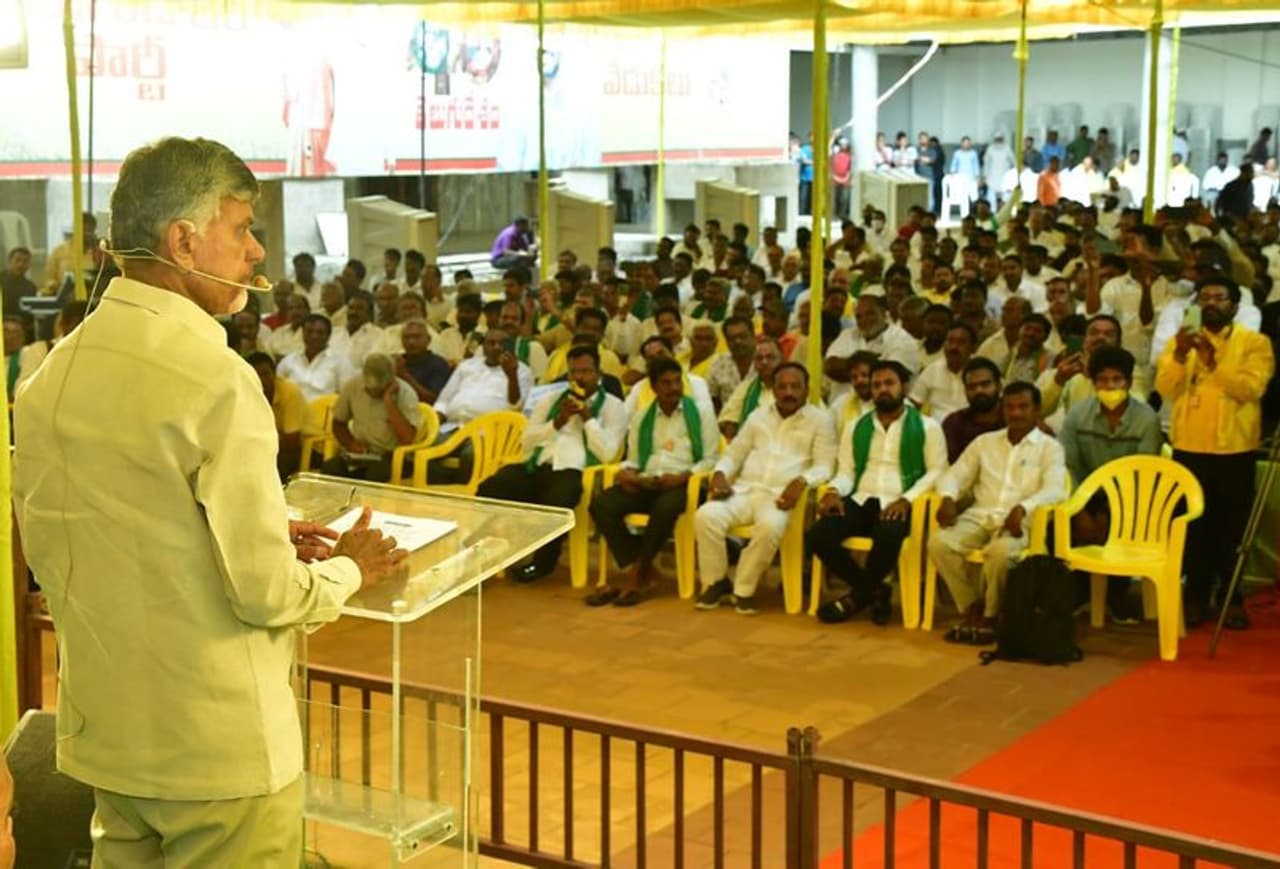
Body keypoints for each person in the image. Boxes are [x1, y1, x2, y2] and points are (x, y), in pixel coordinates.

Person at [12, 136, 405, 863]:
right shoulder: (214, 379)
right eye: (242, 229)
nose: (256, 252)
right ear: (184, 242)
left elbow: (81, 541)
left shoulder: (47, 380)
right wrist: (350, 567)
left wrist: (224, 530)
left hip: (112, 745)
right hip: (216, 758)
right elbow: (263, 593)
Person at [1155, 275, 1275, 629]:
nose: (1210, 303)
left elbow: (1250, 389)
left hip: (1234, 449)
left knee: (1231, 528)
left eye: (1219, 298)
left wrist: (1211, 362)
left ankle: (1230, 596)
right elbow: (1166, 388)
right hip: (1189, 448)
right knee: (1194, 526)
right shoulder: (1184, 342)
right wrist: (1179, 354)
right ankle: (1195, 594)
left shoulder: (1255, 343)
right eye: (1204, 297)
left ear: (1235, 306)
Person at [928, 382, 1066, 645]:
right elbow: (954, 476)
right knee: (939, 543)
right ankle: (972, 608)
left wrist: (1024, 508)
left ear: (1037, 410)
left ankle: (990, 617)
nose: (1016, 413)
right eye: (1010, 407)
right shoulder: (985, 443)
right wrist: (948, 498)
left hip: (1019, 522)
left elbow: (1056, 489)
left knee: (1000, 553)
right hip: (980, 515)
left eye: (1023, 406)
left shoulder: (1050, 448)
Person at [809, 360, 946, 625]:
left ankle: (855, 599)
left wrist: (907, 500)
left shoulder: (928, 427)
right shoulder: (856, 426)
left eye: (889, 383)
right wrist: (834, 491)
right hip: (862, 498)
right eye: (877, 385)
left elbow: (937, 471)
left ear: (903, 386)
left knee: (888, 534)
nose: (883, 390)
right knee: (818, 535)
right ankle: (873, 590)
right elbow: (847, 472)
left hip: (899, 499)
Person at [694, 363, 836, 615]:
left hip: (781, 497)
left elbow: (825, 467)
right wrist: (719, 474)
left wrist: (801, 481)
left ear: (807, 389)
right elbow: (734, 455)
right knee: (705, 516)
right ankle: (716, 581)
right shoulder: (758, 416)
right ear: (774, 389)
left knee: (770, 527)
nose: (788, 392)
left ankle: (743, 588)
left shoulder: (820, 420)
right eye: (782, 386)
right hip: (745, 491)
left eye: (795, 386)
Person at [479, 345, 627, 581]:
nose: (579, 377)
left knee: (558, 500)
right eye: (574, 372)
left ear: (598, 374)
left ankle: (542, 563)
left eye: (586, 372)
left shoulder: (613, 406)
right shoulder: (549, 401)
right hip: (536, 465)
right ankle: (477, 556)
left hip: (574, 471)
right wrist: (557, 423)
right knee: (491, 488)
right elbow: (526, 442)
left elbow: (608, 453)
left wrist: (588, 418)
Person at [587, 356, 720, 607]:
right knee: (602, 505)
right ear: (653, 387)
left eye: (677, 382)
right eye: (666, 383)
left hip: (685, 483)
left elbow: (712, 459)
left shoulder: (701, 413)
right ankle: (642, 569)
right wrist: (626, 473)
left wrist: (682, 477)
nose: (673, 388)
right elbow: (635, 459)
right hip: (649, 481)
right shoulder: (641, 417)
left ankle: (638, 574)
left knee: (664, 508)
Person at [1058, 345, 1162, 620]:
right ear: (1093, 383)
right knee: (1054, 521)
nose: (1110, 386)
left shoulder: (1146, 419)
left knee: (1119, 525)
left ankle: (1116, 596)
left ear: (1128, 382)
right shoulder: (1076, 416)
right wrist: (1080, 511)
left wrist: (1107, 512)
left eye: (1117, 380)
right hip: (1083, 497)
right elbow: (1066, 468)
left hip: (1130, 501)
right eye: (1102, 380)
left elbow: (1143, 474)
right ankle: (1078, 596)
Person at [320, 353, 423, 482]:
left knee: (376, 474)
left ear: (391, 380)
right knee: (330, 469)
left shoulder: (406, 394)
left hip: (393, 456)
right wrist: (351, 443)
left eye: (379, 390)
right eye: (369, 390)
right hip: (362, 454)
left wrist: (389, 403)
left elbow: (408, 439)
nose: (373, 393)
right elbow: (338, 424)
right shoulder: (352, 386)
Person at [248, 351, 306, 479]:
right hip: (269, 444)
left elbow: (292, 441)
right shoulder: (246, 392)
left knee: (270, 467)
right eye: (256, 375)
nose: (261, 380)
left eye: (265, 374)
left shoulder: (290, 392)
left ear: (274, 374)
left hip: (303, 446)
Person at [276, 313, 353, 402]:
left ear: (328, 336)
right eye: (309, 331)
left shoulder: (341, 363)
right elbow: (278, 392)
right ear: (303, 333)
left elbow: (347, 398)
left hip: (324, 413)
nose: (314, 336)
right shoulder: (288, 361)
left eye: (320, 333)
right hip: (293, 412)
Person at [941, 357, 1005, 463]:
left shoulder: (1016, 419)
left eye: (985, 384)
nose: (979, 390)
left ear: (999, 386)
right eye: (972, 386)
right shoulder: (954, 424)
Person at [719, 337, 784, 439]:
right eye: (759, 358)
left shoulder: (794, 388)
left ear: (782, 358)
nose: (764, 362)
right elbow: (729, 420)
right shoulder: (746, 387)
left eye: (770, 357)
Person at [910, 322, 976, 423]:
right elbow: (913, 406)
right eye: (950, 341)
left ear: (973, 348)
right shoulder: (932, 370)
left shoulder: (982, 371)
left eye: (961, 342)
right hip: (936, 431)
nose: (954, 347)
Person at [395, 317, 451, 404]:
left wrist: (404, 374)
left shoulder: (438, 364)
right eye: (406, 337)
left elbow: (434, 400)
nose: (411, 342)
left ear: (428, 340)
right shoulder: (396, 362)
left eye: (416, 337)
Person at [832, 138, 853, 219]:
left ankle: (842, 215)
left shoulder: (849, 156)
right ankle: (834, 215)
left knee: (844, 199)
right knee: (835, 198)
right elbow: (831, 167)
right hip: (835, 179)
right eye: (841, 144)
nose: (843, 146)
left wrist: (846, 178)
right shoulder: (834, 156)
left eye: (845, 144)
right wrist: (834, 177)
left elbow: (850, 169)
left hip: (846, 180)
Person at [797, 133, 815, 215]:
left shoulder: (819, 149)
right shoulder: (804, 149)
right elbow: (804, 160)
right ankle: (802, 213)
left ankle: (811, 213)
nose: (813, 138)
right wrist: (815, 162)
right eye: (811, 137)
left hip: (815, 178)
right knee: (804, 198)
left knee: (813, 198)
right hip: (805, 178)